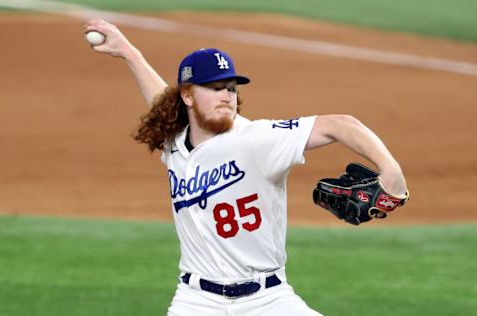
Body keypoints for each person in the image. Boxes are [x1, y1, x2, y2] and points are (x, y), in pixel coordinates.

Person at [84, 19, 408, 316]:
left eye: (231, 88)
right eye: (214, 88)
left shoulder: (257, 139)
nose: (226, 95)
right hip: (196, 301)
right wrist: (129, 52)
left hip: (268, 300)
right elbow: (159, 99)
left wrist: (391, 172)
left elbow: (340, 124)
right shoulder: (175, 143)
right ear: (187, 96)